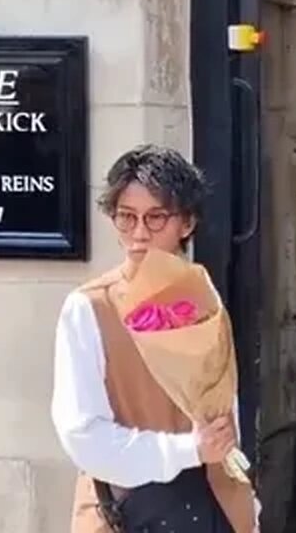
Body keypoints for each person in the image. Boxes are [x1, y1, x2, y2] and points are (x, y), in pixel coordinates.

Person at [50, 144, 259, 532]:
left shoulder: (205, 297)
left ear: (188, 223)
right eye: (126, 218)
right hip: (128, 514)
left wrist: (248, 505)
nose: (139, 234)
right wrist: (186, 450)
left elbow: (226, 421)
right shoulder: (89, 308)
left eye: (155, 218)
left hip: (216, 510)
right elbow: (83, 436)